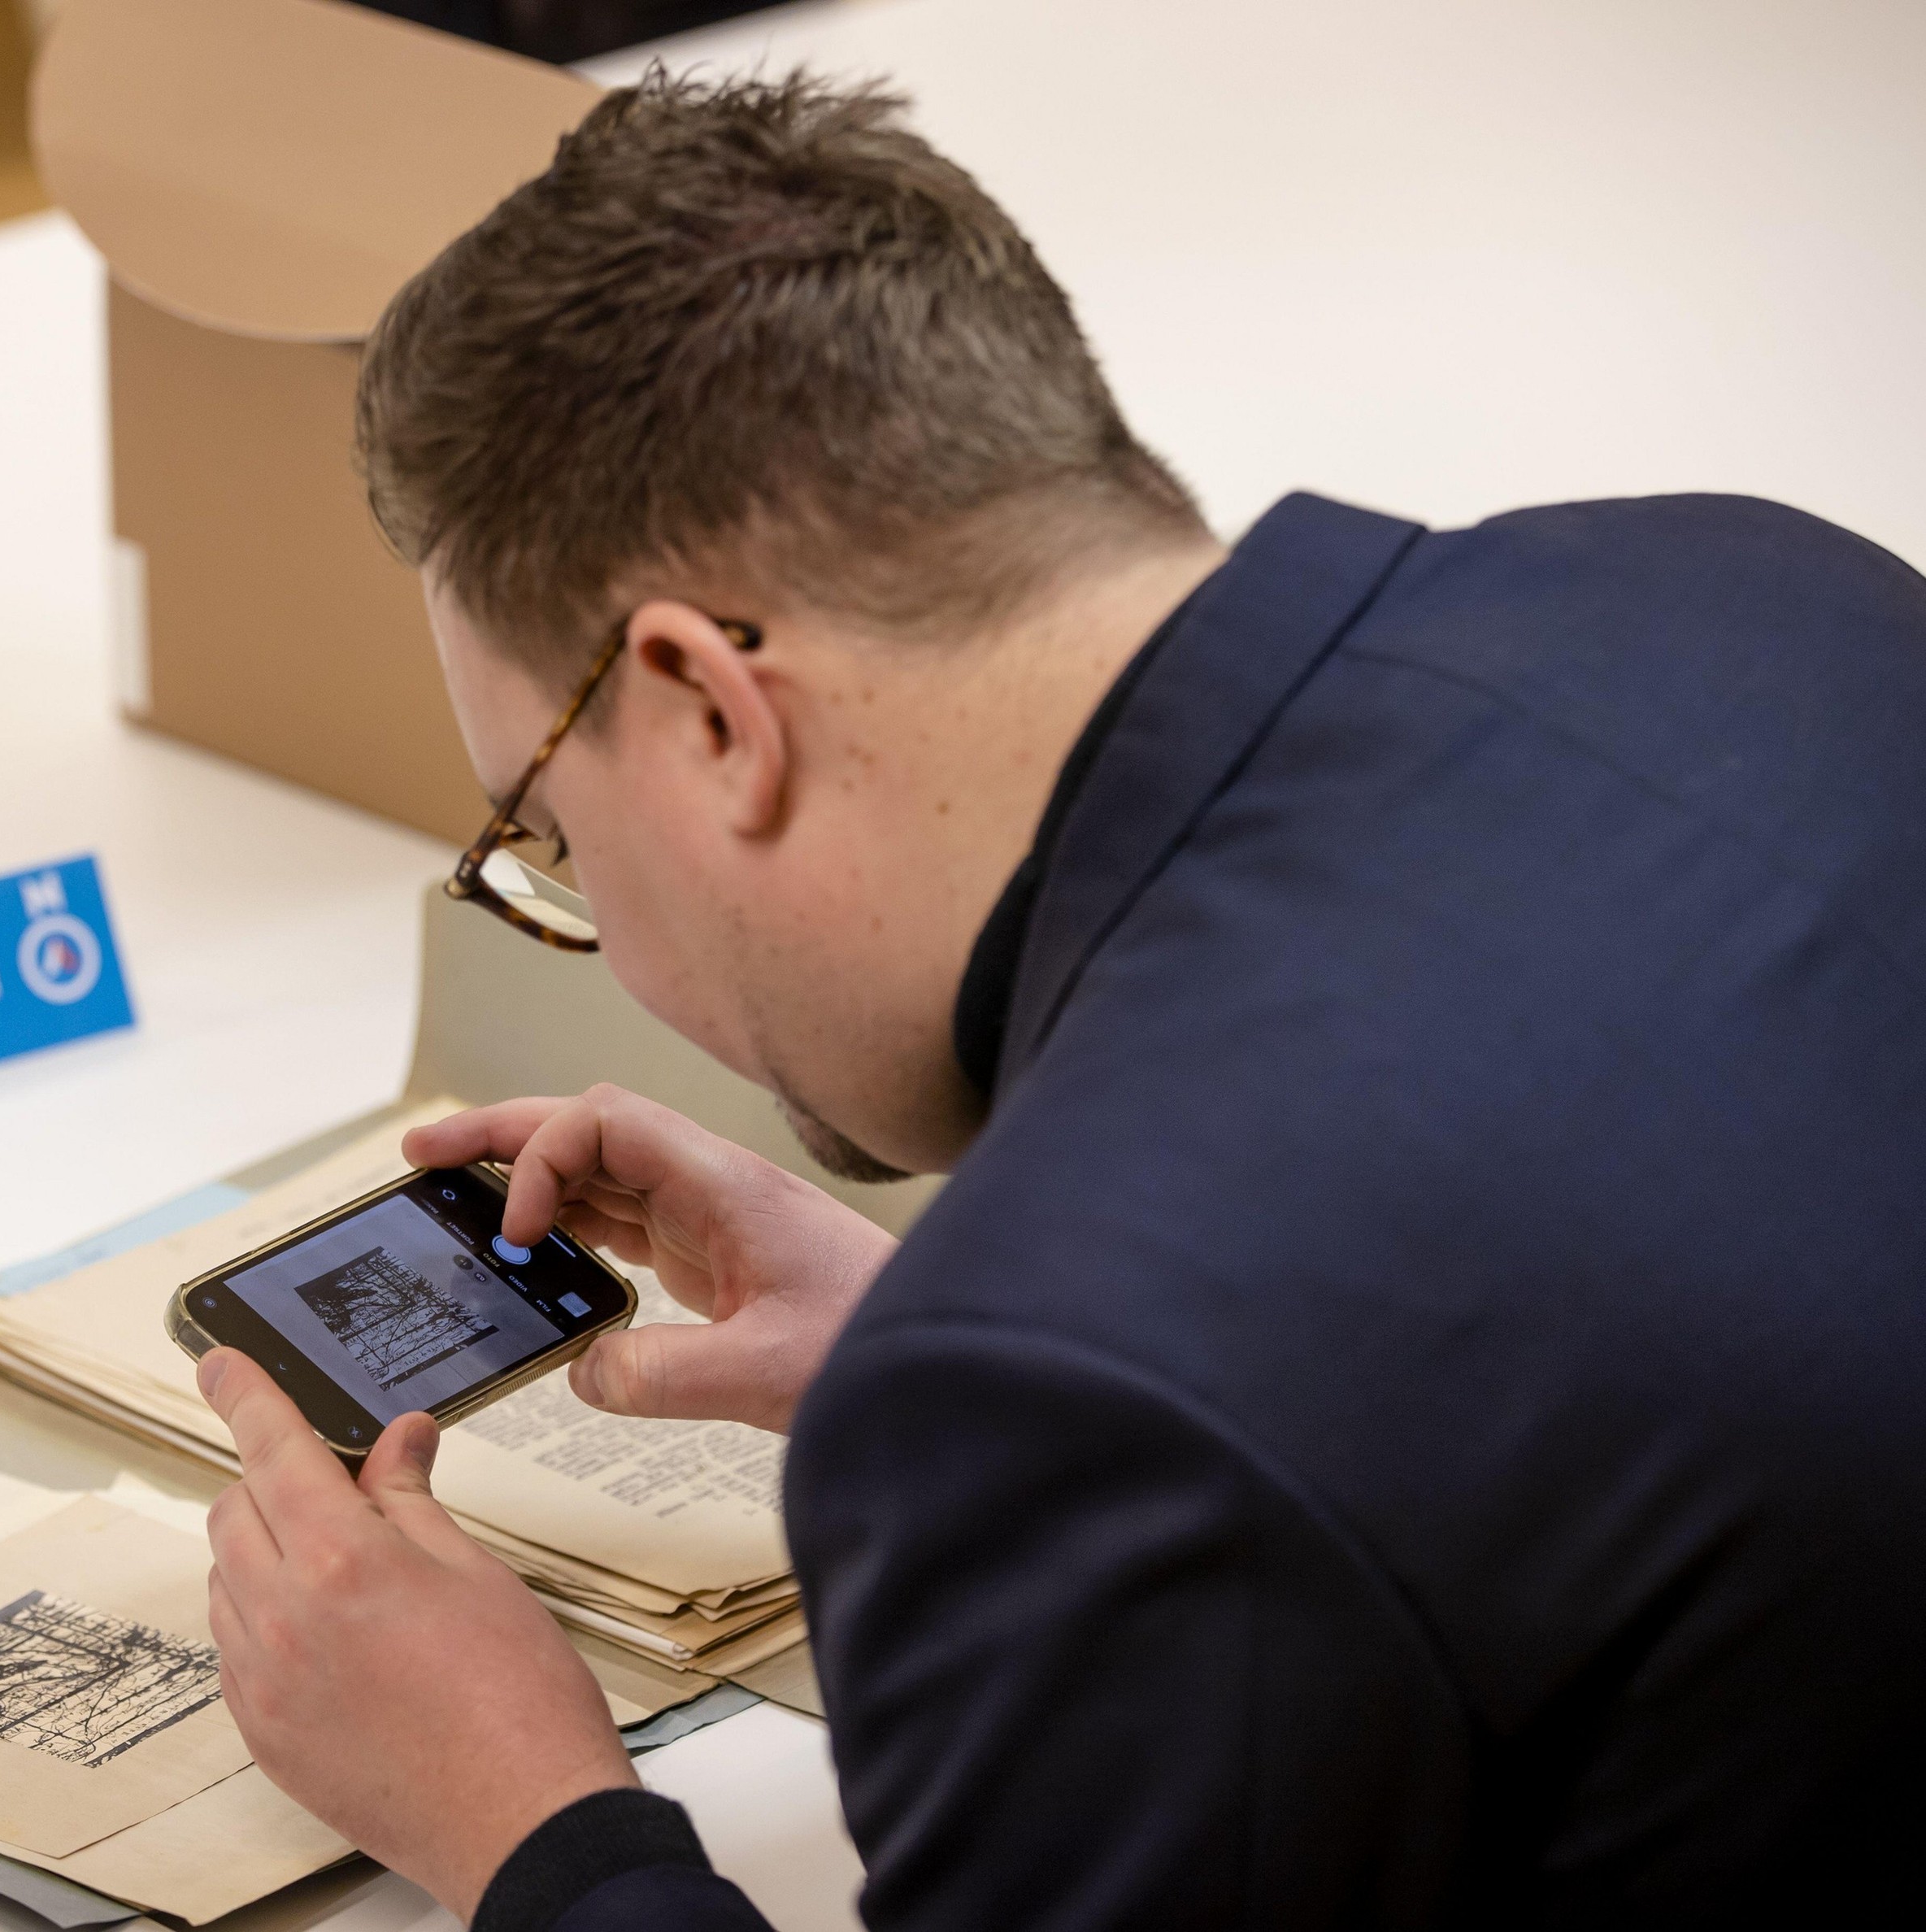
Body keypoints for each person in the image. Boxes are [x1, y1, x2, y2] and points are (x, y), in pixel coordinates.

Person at [188, 70, 1926, 1932]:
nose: (588, 919)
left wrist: (531, 1824)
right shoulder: (1745, 578)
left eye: (546, 837)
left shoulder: (1075, 1386)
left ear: (709, 713)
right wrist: (960, 1338)